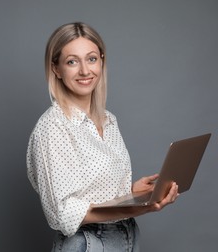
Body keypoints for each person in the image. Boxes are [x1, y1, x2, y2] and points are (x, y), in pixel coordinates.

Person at [26, 22, 179, 251]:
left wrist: (131, 194)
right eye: (72, 62)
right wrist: (142, 207)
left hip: (127, 236)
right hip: (88, 243)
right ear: (56, 69)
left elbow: (95, 192)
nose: (85, 71)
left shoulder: (108, 120)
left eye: (91, 59)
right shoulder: (53, 127)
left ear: (102, 61)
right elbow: (62, 214)